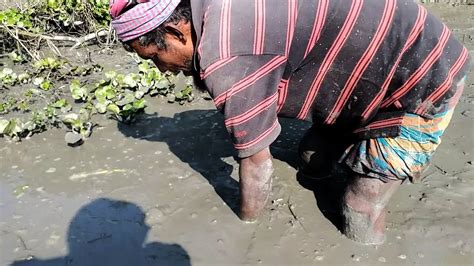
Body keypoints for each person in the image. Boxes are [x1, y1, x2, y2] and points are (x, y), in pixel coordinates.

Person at [109, 0, 471, 245]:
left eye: (156, 56)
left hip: (424, 74)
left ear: (175, 33)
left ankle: (368, 251)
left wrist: (246, 229)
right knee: (312, 158)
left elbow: (256, 164)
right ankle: (374, 150)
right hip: (371, 59)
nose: (163, 70)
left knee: (359, 206)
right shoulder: (211, 10)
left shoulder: (228, 57)